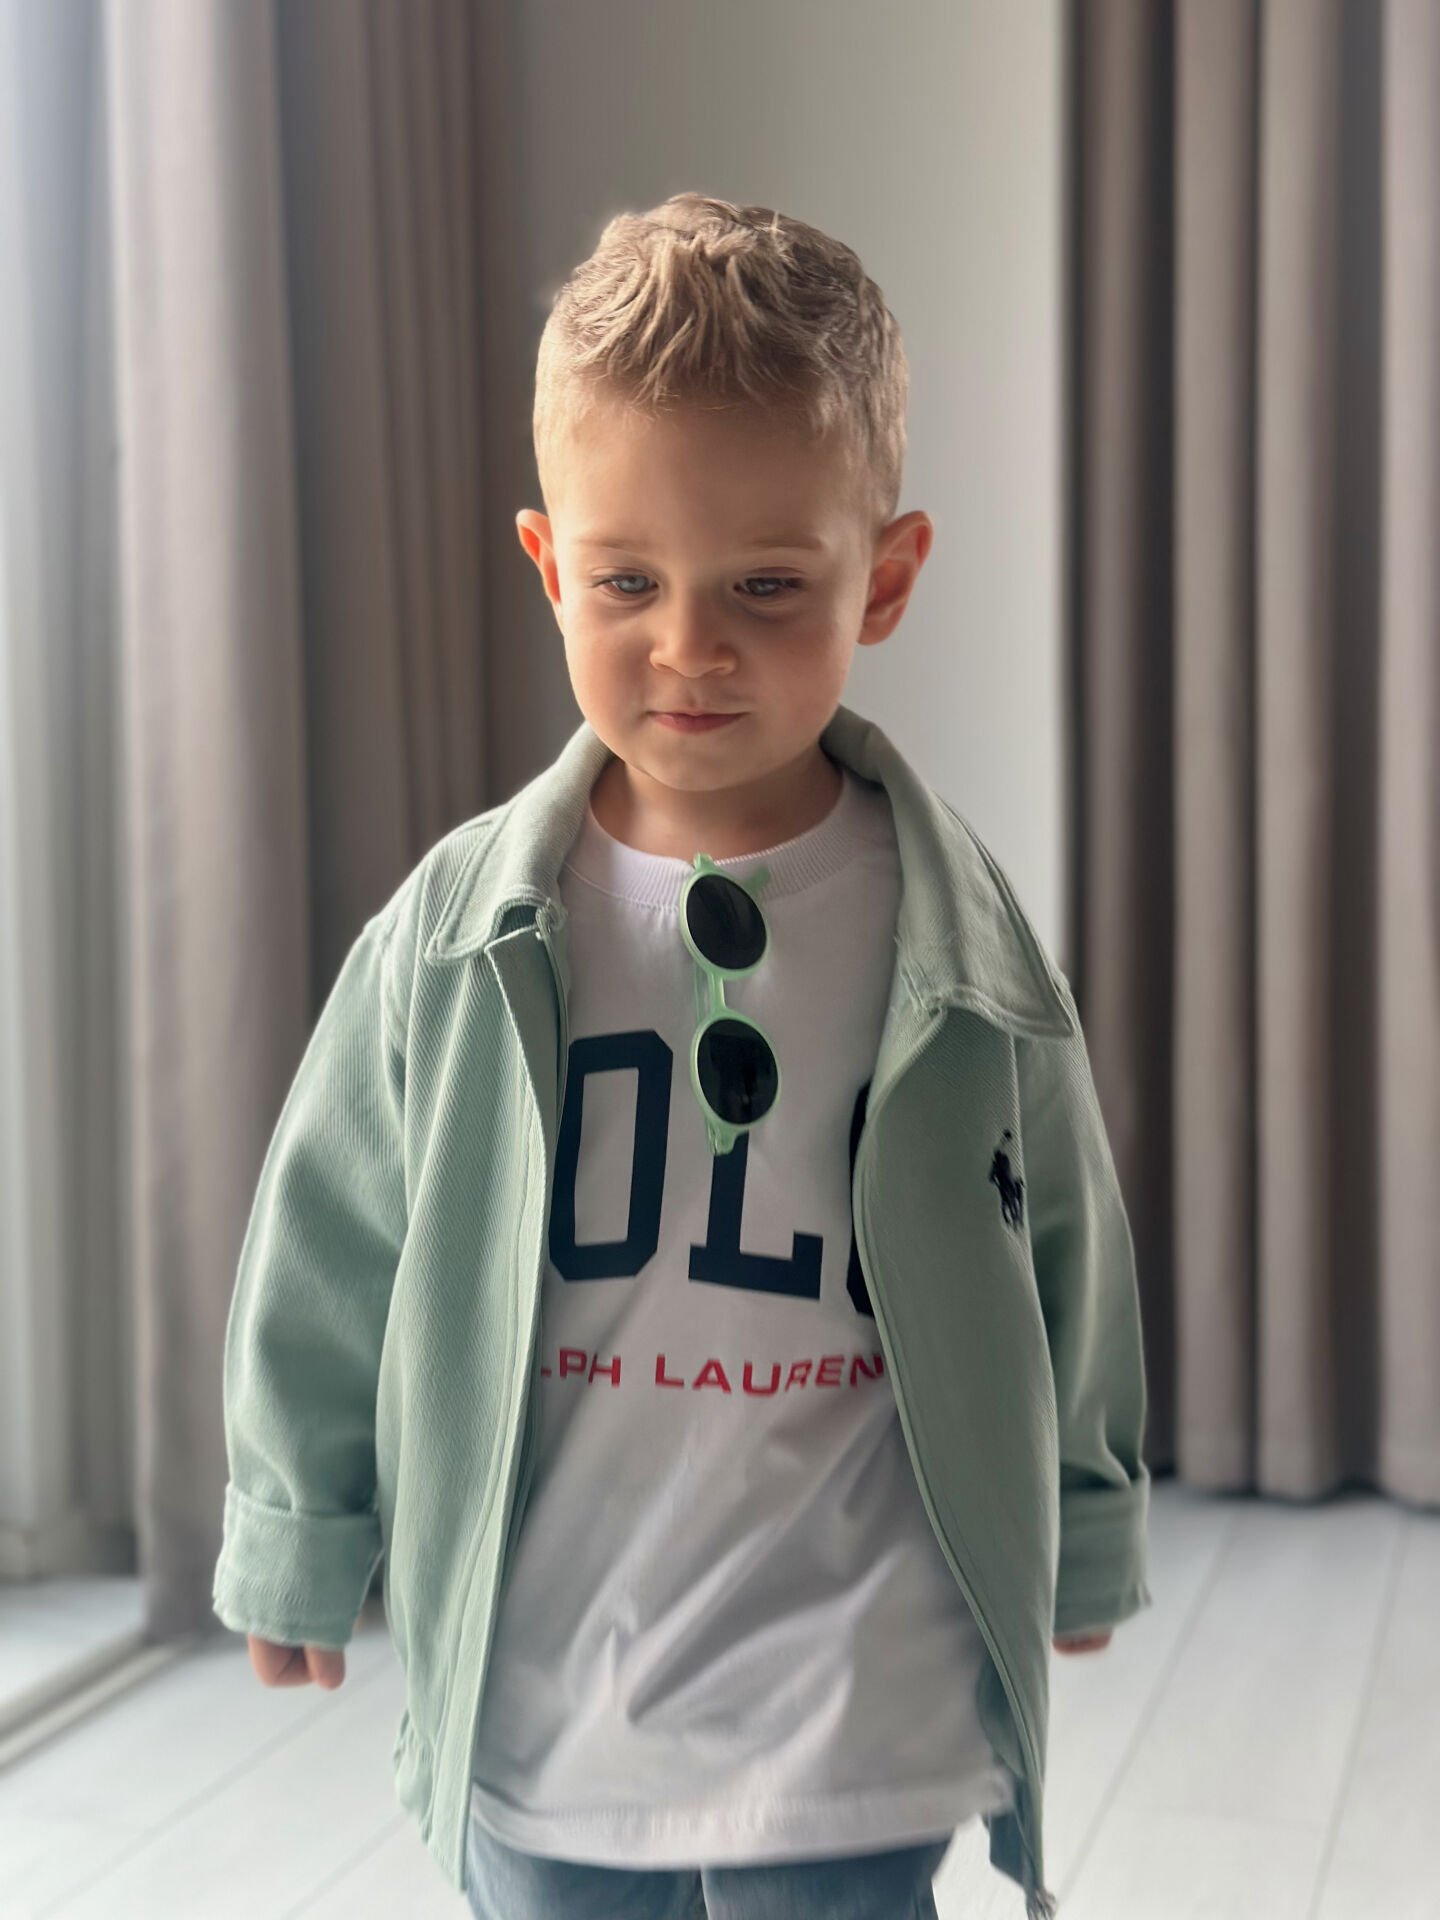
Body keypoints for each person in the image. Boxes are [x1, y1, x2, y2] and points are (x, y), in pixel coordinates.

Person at [213, 193, 1150, 1920]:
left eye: (766, 586)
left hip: (856, 1690)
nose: (689, 645)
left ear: (885, 578)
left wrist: (1085, 1519)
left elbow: (1062, 1247)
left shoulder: (953, 937)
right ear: (549, 566)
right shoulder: (458, 937)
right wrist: (296, 1523)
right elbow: (329, 1236)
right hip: (551, 1679)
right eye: (628, 582)